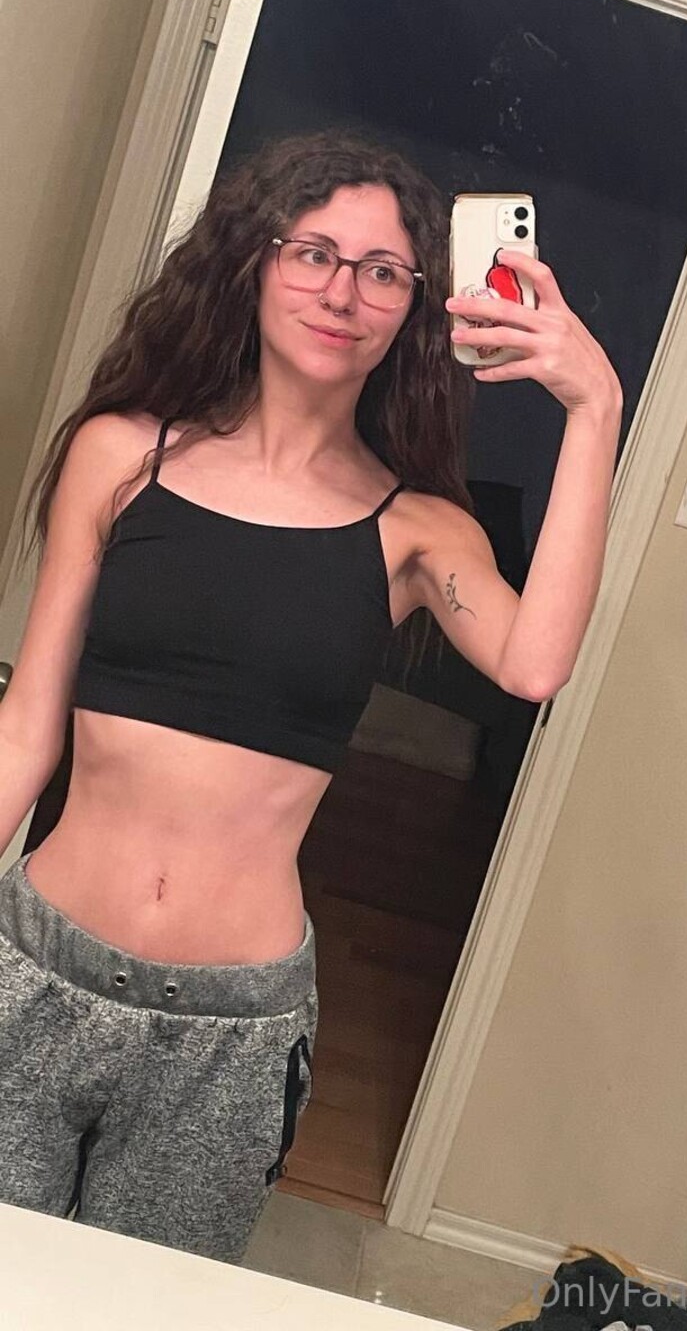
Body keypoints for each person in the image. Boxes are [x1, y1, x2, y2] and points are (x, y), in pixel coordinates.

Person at [0, 129, 623, 1263]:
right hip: (31, 968)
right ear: (254, 261)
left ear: (416, 306)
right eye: (315, 253)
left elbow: (534, 664)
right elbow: (26, 727)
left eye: (383, 271)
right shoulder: (121, 456)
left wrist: (594, 410)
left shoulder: (417, 532)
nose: (343, 292)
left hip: (228, 1038)